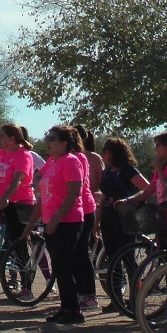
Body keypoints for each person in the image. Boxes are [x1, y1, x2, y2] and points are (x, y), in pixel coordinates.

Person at [22, 124, 86, 325]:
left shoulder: (71, 161)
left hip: (68, 221)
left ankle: (74, 311)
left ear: (64, 143)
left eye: (52, 139)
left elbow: (74, 192)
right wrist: (32, 222)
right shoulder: (52, 162)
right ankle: (66, 308)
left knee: (63, 265)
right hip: (51, 222)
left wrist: (57, 218)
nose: (47, 142)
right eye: (47, 138)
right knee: (59, 266)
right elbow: (42, 196)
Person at [96, 137, 149, 312]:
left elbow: (146, 188)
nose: (103, 153)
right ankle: (116, 300)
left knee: (127, 259)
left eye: (105, 150)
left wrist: (130, 201)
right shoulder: (108, 171)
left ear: (112, 153)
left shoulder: (127, 170)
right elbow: (104, 195)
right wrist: (97, 221)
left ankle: (136, 300)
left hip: (124, 219)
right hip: (108, 217)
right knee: (113, 260)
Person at [0, 123, 36, 251]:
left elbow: (17, 180)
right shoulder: (0, 152)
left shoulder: (24, 155)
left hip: (18, 204)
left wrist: (6, 196)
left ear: (12, 139)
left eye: (1, 136)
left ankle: (24, 268)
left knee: (17, 242)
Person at [68, 125, 100, 311]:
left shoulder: (81, 157)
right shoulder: (61, 158)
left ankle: (90, 295)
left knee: (81, 252)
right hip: (72, 210)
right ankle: (80, 292)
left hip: (85, 209)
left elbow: (78, 188)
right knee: (73, 253)